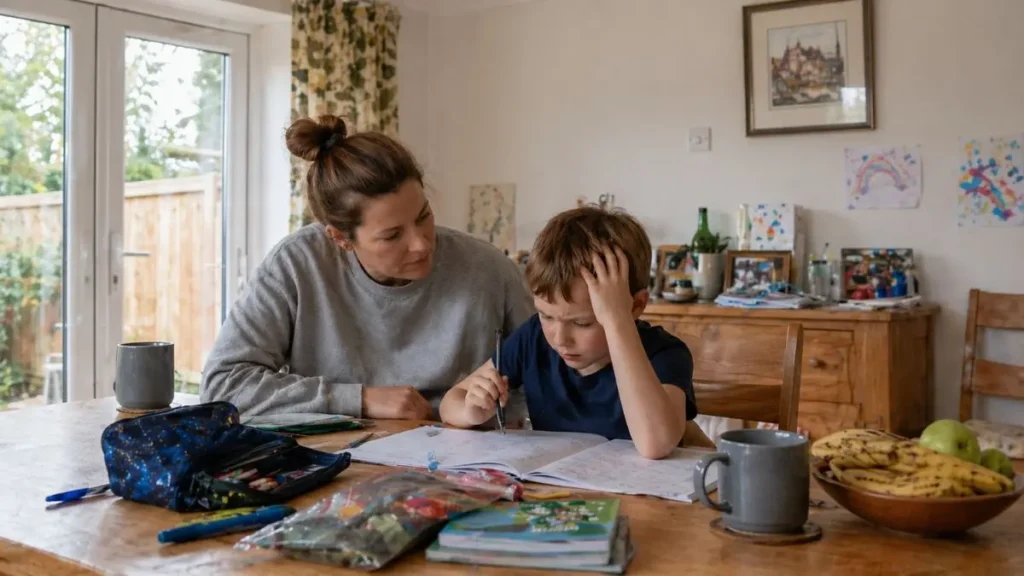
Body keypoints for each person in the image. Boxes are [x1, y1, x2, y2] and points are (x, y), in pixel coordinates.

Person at [200, 115, 534, 419]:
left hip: (470, 468)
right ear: (341, 238)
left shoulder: (490, 270)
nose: (421, 243)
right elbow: (224, 385)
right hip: (342, 469)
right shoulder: (297, 265)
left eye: (423, 216)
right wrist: (360, 400)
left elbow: (551, 376)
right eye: (392, 235)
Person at [439, 207, 698, 459]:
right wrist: (471, 411)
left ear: (636, 306)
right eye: (546, 315)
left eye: (583, 323)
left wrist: (618, 321)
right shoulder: (533, 338)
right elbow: (450, 403)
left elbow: (655, 445)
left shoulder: (666, 354)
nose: (559, 339)